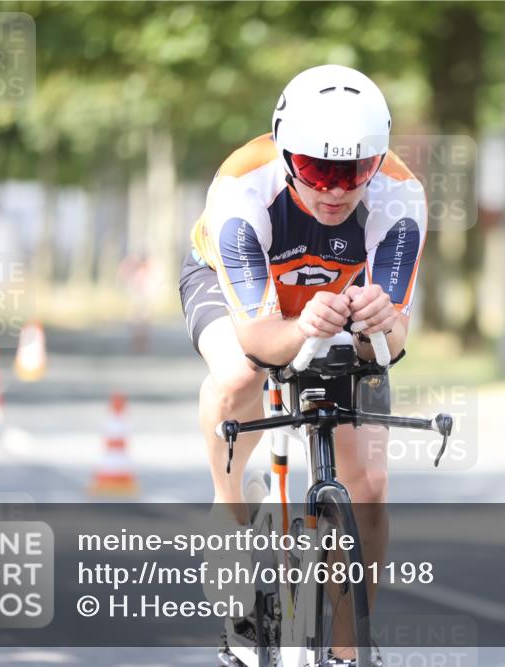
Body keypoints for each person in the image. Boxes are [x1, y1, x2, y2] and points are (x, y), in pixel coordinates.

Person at [178, 64, 426, 664]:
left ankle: (347, 652)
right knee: (241, 374)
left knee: (368, 490)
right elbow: (261, 338)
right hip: (240, 292)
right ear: (288, 156)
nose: (337, 190)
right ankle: (229, 507)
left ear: (378, 163)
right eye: (319, 170)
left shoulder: (401, 195)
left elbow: (390, 349)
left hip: (334, 302)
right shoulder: (241, 187)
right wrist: (301, 328)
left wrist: (376, 323)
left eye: (355, 172)